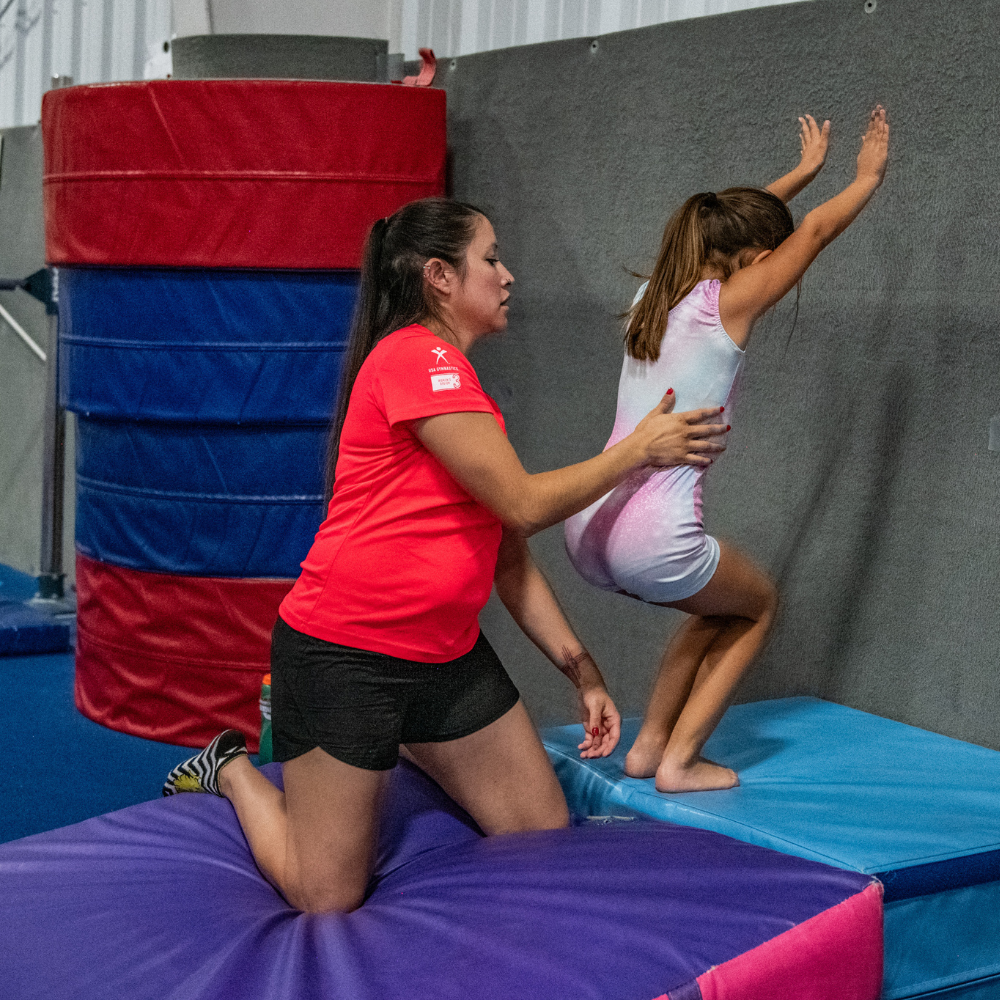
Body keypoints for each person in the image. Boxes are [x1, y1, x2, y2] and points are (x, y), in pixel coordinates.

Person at [160, 197, 730, 913]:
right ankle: (231, 766)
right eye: (490, 258)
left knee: (539, 828)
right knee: (325, 895)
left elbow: (508, 549)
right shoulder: (413, 358)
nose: (508, 274)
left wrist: (580, 669)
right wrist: (638, 451)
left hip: (443, 660)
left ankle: (401, 741)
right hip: (347, 656)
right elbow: (524, 501)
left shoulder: (459, 386)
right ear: (439, 276)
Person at [565, 108, 890, 794]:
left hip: (590, 520)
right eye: (764, 255)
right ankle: (680, 761)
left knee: (718, 604)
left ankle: (647, 750)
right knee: (761, 603)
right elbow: (818, 232)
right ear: (748, 260)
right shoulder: (729, 304)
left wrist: (798, 174)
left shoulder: (654, 292)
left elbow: (733, 229)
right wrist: (865, 178)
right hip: (651, 532)